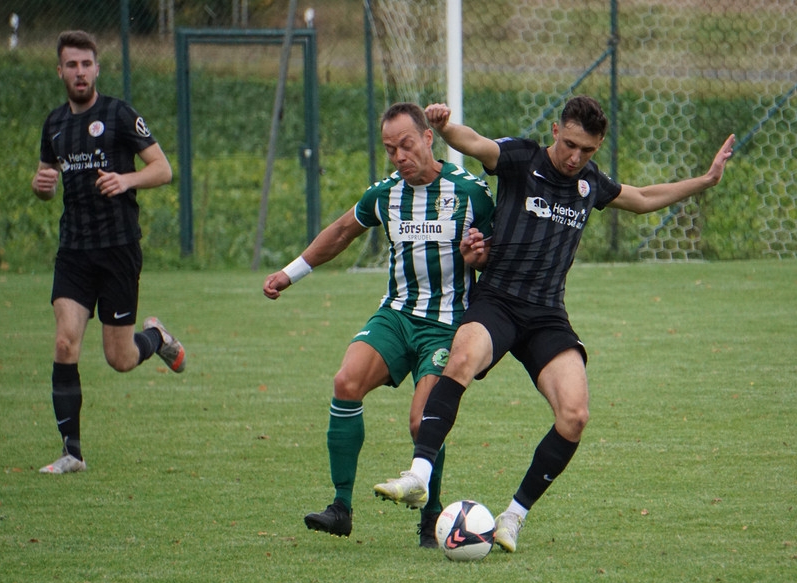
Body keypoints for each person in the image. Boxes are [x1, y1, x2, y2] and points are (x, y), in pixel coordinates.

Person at [375, 96, 735, 552]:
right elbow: (477, 144)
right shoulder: (521, 159)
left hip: (546, 315)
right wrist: (446, 128)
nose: (575, 157)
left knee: (575, 414)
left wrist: (706, 180)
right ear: (555, 132)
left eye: (587, 150)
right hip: (498, 300)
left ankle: (513, 516)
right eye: (569, 145)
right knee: (461, 358)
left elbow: (643, 199)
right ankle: (418, 476)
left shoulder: (590, 183)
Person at [263, 102, 494, 546]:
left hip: (447, 325)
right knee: (346, 382)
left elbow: (498, 250)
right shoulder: (385, 194)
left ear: (428, 138)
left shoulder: (471, 192)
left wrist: (482, 258)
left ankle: (431, 516)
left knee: (421, 421)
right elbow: (340, 232)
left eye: (406, 145)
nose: (399, 157)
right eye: (390, 149)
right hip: (396, 315)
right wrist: (289, 273)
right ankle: (341, 508)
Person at [31, 30, 185, 475]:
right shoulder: (55, 124)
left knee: (119, 359)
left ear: (97, 68)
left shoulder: (118, 114)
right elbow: (46, 182)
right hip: (74, 251)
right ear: (60, 71)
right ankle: (72, 453)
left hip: (118, 249)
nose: (80, 72)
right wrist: (41, 187)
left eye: (86, 64)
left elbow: (163, 169)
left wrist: (126, 179)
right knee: (65, 342)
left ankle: (156, 338)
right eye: (72, 65)